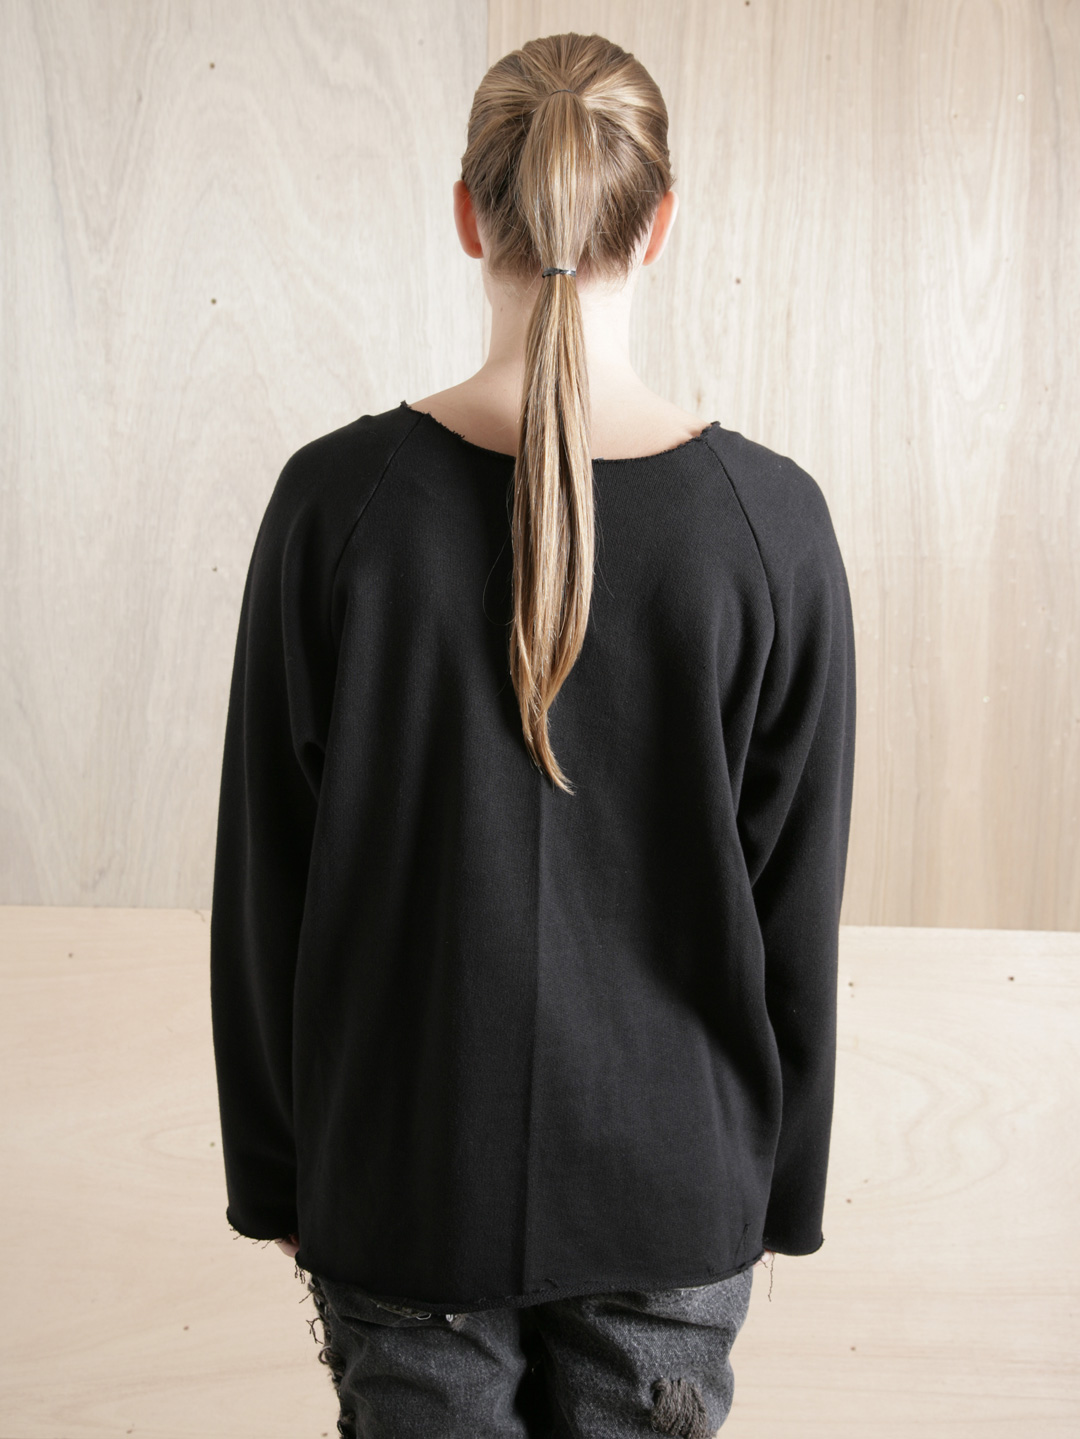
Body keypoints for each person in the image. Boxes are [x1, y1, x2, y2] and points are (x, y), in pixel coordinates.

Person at [209, 30, 856, 1439]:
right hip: (677, 1186)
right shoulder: (773, 528)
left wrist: (274, 1172)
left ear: (468, 213)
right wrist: (780, 1187)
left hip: (400, 1174)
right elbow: (793, 901)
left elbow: (268, 881)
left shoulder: (334, 507)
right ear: (660, 224)